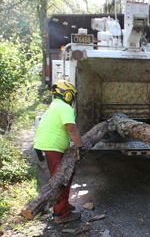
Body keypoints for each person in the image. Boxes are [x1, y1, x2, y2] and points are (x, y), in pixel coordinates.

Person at [34, 80, 86, 224]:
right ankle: (61, 214)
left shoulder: (54, 106)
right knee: (62, 180)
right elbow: (71, 128)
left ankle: (63, 205)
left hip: (45, 146)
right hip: (52, 148)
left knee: (65, 174)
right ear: (68, 95)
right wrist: (80, 146)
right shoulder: (64, 108)